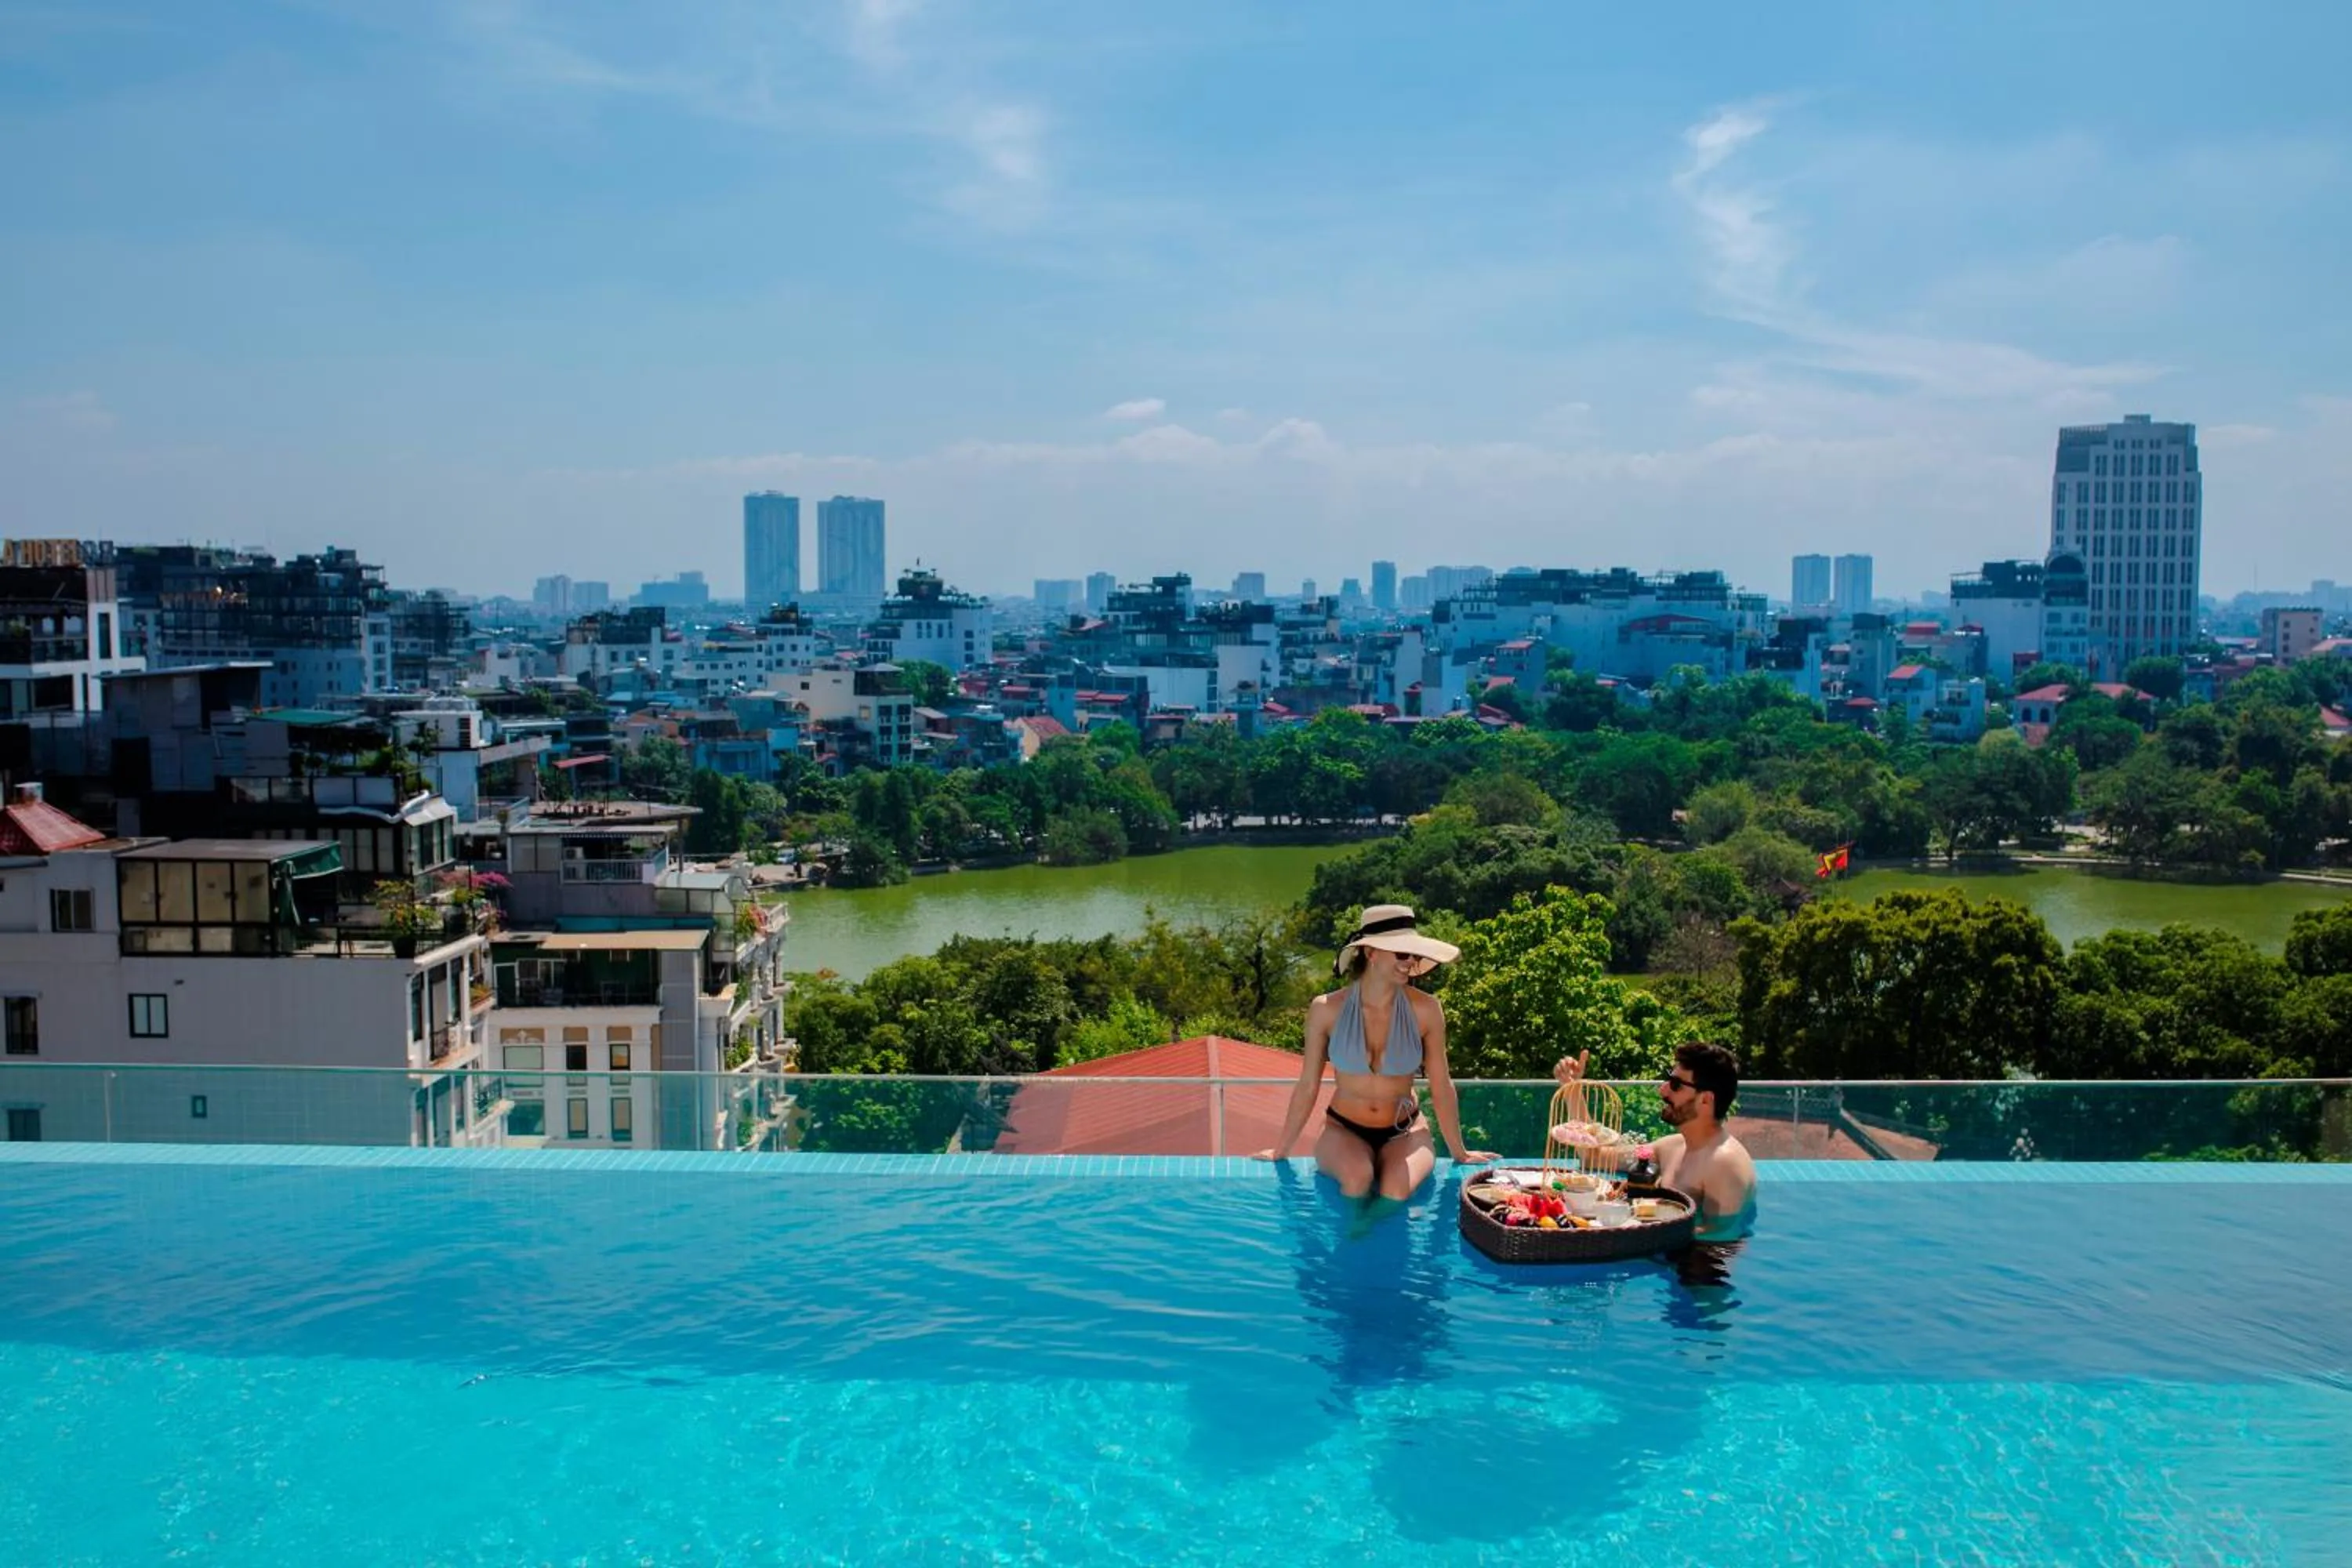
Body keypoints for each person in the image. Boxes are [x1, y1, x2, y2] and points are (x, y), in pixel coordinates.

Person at [1255, 904, 1497, 1202]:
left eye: (1414, 955)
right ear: (1371, 954)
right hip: (1343, 1129)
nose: (1411, 962)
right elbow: (1308, 1084)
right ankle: (1358, 1238)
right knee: (1357, 1182)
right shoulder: (1326, 1009)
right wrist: (1281, 1150)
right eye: (1402, 954)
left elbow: (1441, 1084)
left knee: (1395, 1192)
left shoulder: (1426, 1010)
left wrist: (1460, 1151)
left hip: (1406, 1132)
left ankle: (1362, 1234)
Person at [1555, 1041, 1756, 1242]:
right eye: (1668, 1080)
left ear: (1705, 1100)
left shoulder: (1725, 1162)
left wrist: (1634, 1234)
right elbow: (1594, 1157)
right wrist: (1572, 1088)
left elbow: (1723, 1236)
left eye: (1676, 1085)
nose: (1663, 1090)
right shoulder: (1671, 1147)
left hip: (1697, 1267)